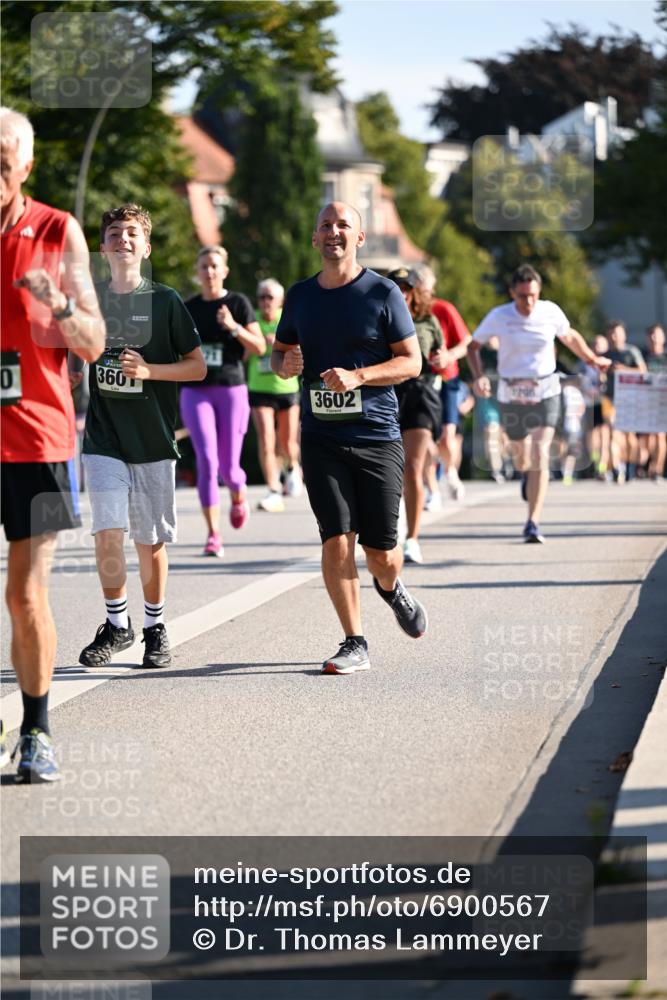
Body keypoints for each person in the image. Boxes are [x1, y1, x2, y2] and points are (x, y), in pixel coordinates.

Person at [271, 202, 427, 674]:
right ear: (315, 238)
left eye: (343, 225)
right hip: (321, 437)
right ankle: (353, 640)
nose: (333, 232)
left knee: (381, 553)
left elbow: (412, 362)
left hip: (378, 436)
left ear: (359, 238)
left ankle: (390, 587)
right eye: (325, 225)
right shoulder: (299, 296)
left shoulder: (382, 293)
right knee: (336, 537)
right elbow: (279, 353)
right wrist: (286, 364)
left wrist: (359, 377)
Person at [1, 107, 105, 781]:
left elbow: (94, 342)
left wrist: (59, 305)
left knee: (24, 594)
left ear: (26, 165)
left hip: (37, 437)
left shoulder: (55, 231)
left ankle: (37, 729)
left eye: (1, 158)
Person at [78, 203, 205, 670]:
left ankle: (154, 626)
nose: (123, 240)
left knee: (149, 541)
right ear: (104, 246)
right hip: (104, 439)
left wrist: (150, 371)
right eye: (115, 233)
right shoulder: (90, 299)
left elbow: (197, 366)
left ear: (145, 247)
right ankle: (117, 624)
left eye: (132, 233)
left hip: (152, 439)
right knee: (107, 532)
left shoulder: (165, 300)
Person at [468, 264, 610, 543]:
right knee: (521, 455)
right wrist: (479, 377)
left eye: (532, 295)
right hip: (512, 392)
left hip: (546, 389)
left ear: (539, 292)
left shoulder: (550, 311)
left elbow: (569, 337)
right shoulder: (499, 316)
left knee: (540, 453)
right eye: (522, 296)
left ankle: (533, 522)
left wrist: (592, 359)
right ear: (513, 293)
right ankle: (526, 478)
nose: (528, 302)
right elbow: (473, 346)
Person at [180, 245, 265, 555]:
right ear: (198, 271)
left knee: (229, 468)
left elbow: (258, 348)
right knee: (206, 460)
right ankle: (214, 534)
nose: (210, 271)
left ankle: (238, 494)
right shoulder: (188, 307)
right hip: (196, 390)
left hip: (231, 388)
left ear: (224, 270)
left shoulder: (238, 303)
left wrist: (234, 327)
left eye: (215, 266)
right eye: (204, 266)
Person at [388, 267, 446, 565]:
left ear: (414, 292)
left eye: (406, 288)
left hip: (421, 393)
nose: (401, 293)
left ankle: (412, 538)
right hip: (387, 393)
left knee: (412, 466)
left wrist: (442, 358)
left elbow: (443, 354)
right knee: (390, 468)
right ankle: (390, 531)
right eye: (396, 287)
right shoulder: (379, 318)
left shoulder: (427, 320)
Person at [413, 265, 471, 500]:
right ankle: (432, 491)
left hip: (447, 378)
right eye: (417, 290)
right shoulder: (407, 312)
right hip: (420, 381)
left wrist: (449, 356)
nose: (422, 296)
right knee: (424, 437)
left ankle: (450, 471)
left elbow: (466, 342)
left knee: (447, 436)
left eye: (425, 291)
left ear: (432, 288)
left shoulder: (444, 309)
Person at [248, 277, 302, 512]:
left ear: (280, 300)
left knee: (287, 442)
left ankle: (292, 467)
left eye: (270, 297)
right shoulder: (254, 322)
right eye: (262, 297)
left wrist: (279, 344)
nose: (266, 301)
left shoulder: (287, 320)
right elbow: (242, 353)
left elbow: (302, 348)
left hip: (287, 388)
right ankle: (272, 488)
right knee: (266, 439)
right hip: (259, 387)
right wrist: (258, 343)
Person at [604, 320, 647, 483]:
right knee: (613, 433)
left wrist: (624, 370)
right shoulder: (606, 355)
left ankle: (630, 467)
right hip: (610, 399)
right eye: (611, 334)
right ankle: (615, 468)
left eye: (617, 333)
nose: (614, 337)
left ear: (624, 335)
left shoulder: (631, 351)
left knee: (629, 435)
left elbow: (643, 371)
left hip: (630, 399)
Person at [642, 324, 666, 482]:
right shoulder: (642, 358)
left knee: (660, 435)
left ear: (663, 337)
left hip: (663, 402)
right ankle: (649, 466)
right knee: (648, 437)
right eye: (651, 335)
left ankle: (657, 469)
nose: (653, 338)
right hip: (645, 401)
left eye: (656, 335)